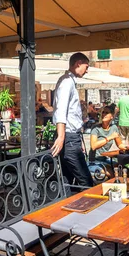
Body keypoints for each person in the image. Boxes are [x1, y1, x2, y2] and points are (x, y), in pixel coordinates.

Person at [51, 52, 94, 188]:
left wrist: (77, 139)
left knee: (67, 180)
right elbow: (61, 110)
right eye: (86, 67)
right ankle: (88, 207)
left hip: (71, 137)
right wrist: (62, 136)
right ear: (78, 64)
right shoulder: (67, 82)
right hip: (69, 137)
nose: (87, 71)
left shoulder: (68, 81)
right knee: (85, 181)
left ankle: (65, 206)